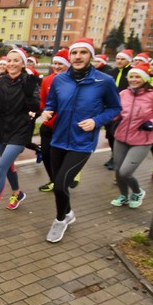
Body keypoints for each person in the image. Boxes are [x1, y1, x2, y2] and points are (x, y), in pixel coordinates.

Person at [41, 38, 121, 243]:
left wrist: (96, 121)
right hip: (58, 140)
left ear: (90, 56)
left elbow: (115, 108)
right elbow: (51, 103)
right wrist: (48, 112)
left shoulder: (104, 81)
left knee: (60, 185)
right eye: (74, 53)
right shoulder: (60, 80)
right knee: (60, 184)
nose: (78, 57)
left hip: (82, 142)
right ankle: (68, 213)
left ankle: (60, 220)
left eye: (83, 53)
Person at [0, 48, 40, 222]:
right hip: (2, 130)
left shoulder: (30, 81)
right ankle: (17, 193)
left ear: (23, 63)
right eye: (9, 61)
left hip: (20, 131)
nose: (11, 64)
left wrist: (29, 94)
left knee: (0, 168)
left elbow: (35, 107)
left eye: (16, 60)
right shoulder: (0, 81)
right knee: (9, 165)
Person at [110, 63, 153, 208]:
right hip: (121, 137)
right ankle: (124, 196)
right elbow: (117, 111)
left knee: (125, 172)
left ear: (145, 79)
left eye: (137, 76)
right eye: (131, 76)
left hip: (142, 140)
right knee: (118, 171)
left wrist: (152, 122)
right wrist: (110, 116)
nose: (134, 79)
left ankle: (137, 192)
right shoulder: (123, 94)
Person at [37, 52, 71, 192]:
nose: (56, 66)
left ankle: (64, 179)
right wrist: (42, 111)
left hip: (64, 127)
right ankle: (53, 180)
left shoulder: (72, 81)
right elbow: (43, 101)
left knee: (60, 156)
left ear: (68, 65)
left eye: (60, 64)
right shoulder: (47, 80)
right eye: (55, 63)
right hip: (48, 125)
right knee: (45, 153)